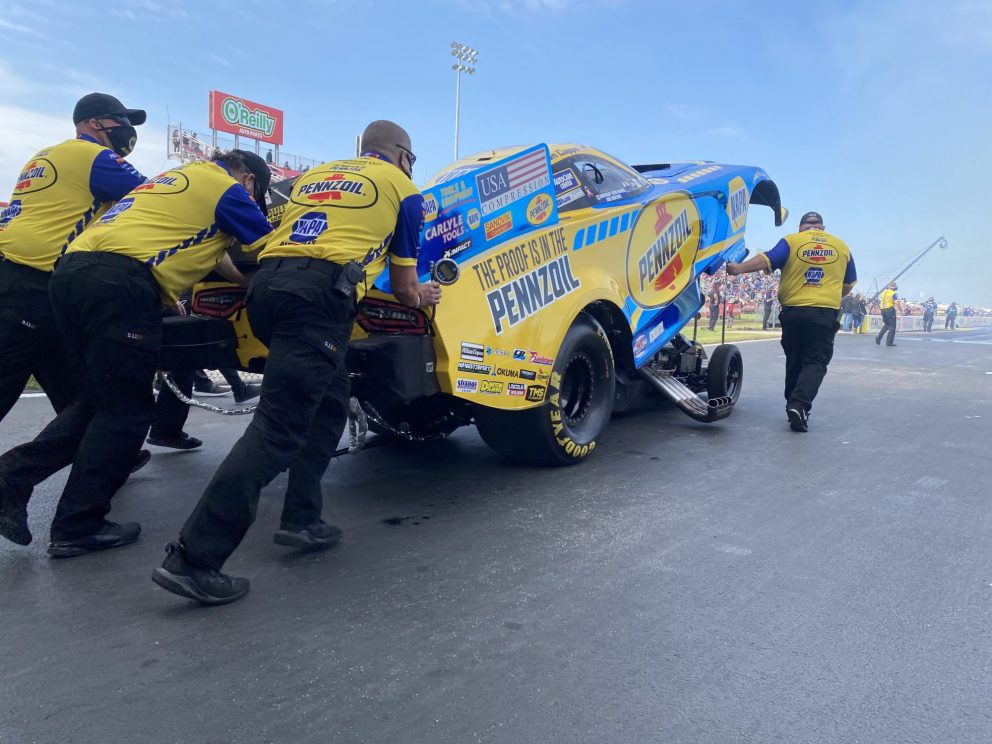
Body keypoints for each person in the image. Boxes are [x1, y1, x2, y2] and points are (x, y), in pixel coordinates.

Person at [154, 120, 442, 605]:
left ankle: (302, 519)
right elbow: (408, 286)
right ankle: (194, 557)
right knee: (278, 430)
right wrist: (426, 295)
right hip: (318, 299)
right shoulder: (404, 189)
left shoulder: (316, 178)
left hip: (268, 290)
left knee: (330, 402)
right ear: (400, 155)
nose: (411, 166)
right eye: (411, 158)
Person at [0, 150, 272, 555]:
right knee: (126, 411)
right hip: (121, 285)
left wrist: (240, 280)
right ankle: (78, 524)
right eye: (255, 192)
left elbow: (219, 258)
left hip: (70, 275)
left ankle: (11, 481)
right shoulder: (229, 190)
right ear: (248, 179)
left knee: (100, 400)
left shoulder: (175, 181)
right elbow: (272, 246)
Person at [0, 93, 147, 425]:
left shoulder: (45, 155)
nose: (126, 129)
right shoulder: (94, 156)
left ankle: (100, 451)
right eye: (121, 121)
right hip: (34, 281)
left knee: (73, 386)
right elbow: (155, 198)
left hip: (23, 278)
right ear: (94, 123)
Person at [725, 210, 855, 432]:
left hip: (793, 311)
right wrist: (829, 293)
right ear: (822, 228)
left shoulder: (792, 241)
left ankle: (792, 404)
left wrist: (738, 269)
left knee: (794, 358)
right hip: (823, 312)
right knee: (815, 361)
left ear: (801, 227)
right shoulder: (841, 246)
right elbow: (850, 282)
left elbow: (766, 259)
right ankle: (799, 405)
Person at [875, 282, 900, 346]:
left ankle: (879, 337)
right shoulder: (893, 293)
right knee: (892, 327)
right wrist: (901, 310)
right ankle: (889, 342)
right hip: (889, 309)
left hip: (883, 310)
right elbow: (896, 302)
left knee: (887, 324)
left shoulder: (884, 293)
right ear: (894, 287)